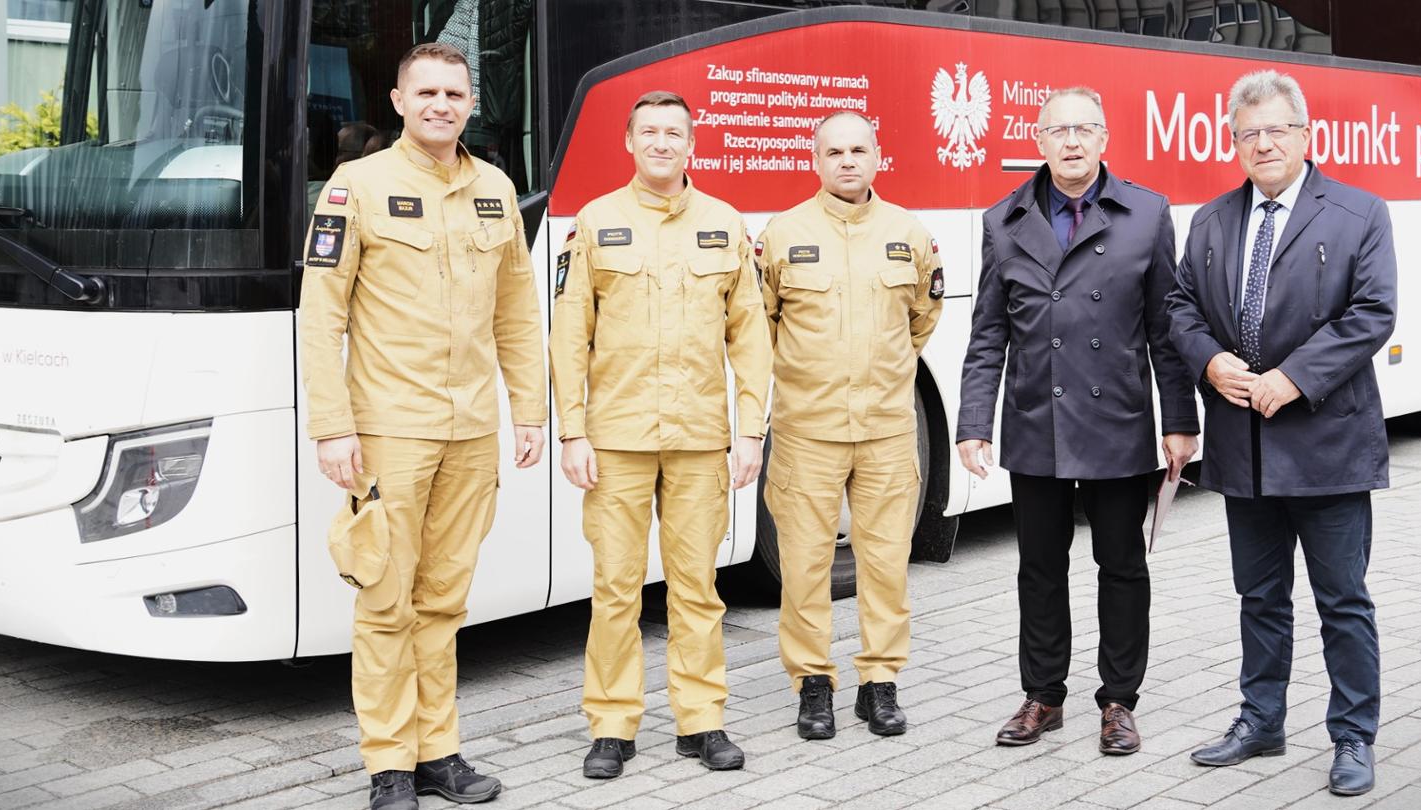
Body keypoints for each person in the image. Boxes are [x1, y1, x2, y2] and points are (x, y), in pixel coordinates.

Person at [299, 42, 546, 810]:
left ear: (471, 103)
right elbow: (320, 314)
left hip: (471, 432)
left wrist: (530, 410)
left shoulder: (496, 190)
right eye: (427, 93)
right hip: (388, 434)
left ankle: (439, 753)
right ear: (401, 102)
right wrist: (332, 427)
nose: (442, 105)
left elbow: (516, 311)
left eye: (455, 93)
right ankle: (389, 767)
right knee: (385, 602)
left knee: (444, 603)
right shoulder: (355, 187)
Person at [1165, 70, 1396, 797]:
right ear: (1233, 143)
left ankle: (1353, 736)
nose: (1262, 144)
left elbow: (1373, 312)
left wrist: (1293, 377)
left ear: (1306, 135)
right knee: (1259, 597)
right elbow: (1178, 307)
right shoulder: (1210, 221)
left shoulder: (1359, 212)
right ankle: (1261, 721)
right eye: (1247, 134)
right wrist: (1212, 361)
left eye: (1275, 130)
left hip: (1326, 444)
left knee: (1342, 601)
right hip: (1245, 449)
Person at [956, 87, 1198, 753]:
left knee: (1121, 565)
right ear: (1037, 139)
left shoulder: (1146, 215)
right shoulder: (1002, 219)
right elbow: (988, 335)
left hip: (1117, 421)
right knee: (1038, 566)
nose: (1071, 141)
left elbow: (1165, 330)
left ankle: (1119, 701)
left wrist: (1179, 420)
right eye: (1058, 129)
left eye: (1084, 129)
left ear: (1103, 139)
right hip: (1037, 422)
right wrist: (973, 421)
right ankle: (1043, 697)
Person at [548, 90, 772, 780]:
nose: (663, 143)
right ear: (629, 142)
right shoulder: (595, 222)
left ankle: (701, 722)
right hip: (614, 439)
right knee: (616, 587)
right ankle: (612, 725)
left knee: (696, 586)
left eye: (675, 132)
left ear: (691, 144)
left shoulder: (725, 223)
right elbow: (568, 334)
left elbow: (752, 336)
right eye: (650, 132)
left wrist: (750, 433)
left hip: (700, 437)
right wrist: (571, 432)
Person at [755, 111, 943, 741]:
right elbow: (764, 321)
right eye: (833, 151)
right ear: (816, 160)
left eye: (858, 149)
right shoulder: (783, 234)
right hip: (807, 432)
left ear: (877, 155)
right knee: (805, 567)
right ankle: (813, 685)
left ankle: (878, 683)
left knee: (886, 563)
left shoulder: (909, 234)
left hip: (888, 430)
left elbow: (923, 318)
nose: (846, 161)